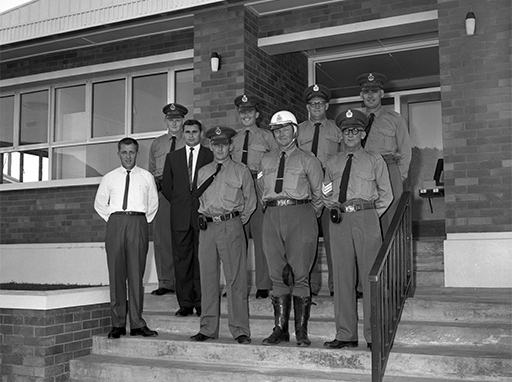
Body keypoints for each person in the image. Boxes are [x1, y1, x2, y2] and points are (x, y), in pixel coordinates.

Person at [322, 109, 393, 350]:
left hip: (365, 218)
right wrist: (331, 204)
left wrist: (370, 215)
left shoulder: (374, 159)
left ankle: (374, 335)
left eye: (354, 130)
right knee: (342, 277)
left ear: (362, 134)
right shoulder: (332, 161)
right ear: (341, 135)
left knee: (369, 277)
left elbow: (386, 194)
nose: (350, 135)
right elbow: (325, 190)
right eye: (345, 131)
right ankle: (345, 334)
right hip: (340, 220)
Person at [257, 110, 323, 347]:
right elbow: (262, 188)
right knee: (277, 274)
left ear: (294, 131)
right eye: (276, 130)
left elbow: (319, 196)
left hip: (301, 214)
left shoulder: (309, 159)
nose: (281, 134)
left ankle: (301, 332)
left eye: (285, 129)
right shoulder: (265, 160)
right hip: (272, 214)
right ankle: (280, 329)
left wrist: (305, 216)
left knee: (301, 274)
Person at [190, 126, 257, 344]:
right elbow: (198, 201)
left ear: (231, 146)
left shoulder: (241, 171)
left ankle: (239, 329)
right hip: (208, 228)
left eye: (224, 144)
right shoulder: (202, 172)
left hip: (231, 226)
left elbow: (250, 202)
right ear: (210, 146)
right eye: (215, 144)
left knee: (236, 279)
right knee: (208, 279)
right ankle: (207, 328)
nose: (220, 148)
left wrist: (236, 222)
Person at [94, 137, 159, 338]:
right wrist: (115, 221)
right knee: (116, 275)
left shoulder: (146, 177)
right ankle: (118, 323)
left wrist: (140, 222)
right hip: (115, 224)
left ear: (137, 153)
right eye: (124, 152)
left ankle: (137, 323)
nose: (128, 156)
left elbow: (153, 203)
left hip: (138, 223)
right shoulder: (109, 178)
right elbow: (99, 204)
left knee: (136, 275)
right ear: (119, 153)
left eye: (132, 152)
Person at [162, 119, 213, 317]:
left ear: (201, 133)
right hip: (180, 216)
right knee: (182, 259)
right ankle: (185, 303)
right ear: (183, 133)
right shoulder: (172, 157)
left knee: (202, 260)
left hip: (202, 214)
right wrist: (181, 202)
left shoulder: (209, 155)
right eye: (188, 132)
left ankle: (201, 302)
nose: (191, 135)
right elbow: (167, 187)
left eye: (195, 132)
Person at [297, 84, 342, 297]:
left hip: (329, 186)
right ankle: (310, 286)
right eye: (313, 103)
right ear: (307, 106)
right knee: (307, 240)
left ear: (327, 105)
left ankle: (337, 286)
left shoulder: (337, 129)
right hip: (305, 188)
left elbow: (344, 160)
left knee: (334, 238)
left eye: (321, 103)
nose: (317, 107)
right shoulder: (297, 130)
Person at [230, 94, 276, 299]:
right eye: (242, 112)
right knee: (237, 237)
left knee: (261, 236)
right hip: (238, 188)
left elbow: (276, 162)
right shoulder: (233, 139)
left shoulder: (267, 137)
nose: (246, 115)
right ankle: (236, 283)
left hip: (259, 186)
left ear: (257, 114)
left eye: (250, 112)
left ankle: (263, 283)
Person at [356, 72, 412, 234]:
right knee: (365, 215)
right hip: (363, 172)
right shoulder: (356, 121)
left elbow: (405, 152)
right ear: (361, 95)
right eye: (366, 92)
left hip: (388, 169)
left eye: (374, 91)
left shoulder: (395, 120)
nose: (370, 96)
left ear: (382, 93)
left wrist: (397, 177)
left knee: (390, 217)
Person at [148, 103, 188, 296]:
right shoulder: (157, 144)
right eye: (171, 119)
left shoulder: (190, 141)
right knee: (162, 238)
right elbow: (151, 171)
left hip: (182, 192)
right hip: (163, 192)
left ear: (183, 121)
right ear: (165, 121)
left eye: (178, 119)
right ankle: (165, 281)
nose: (174, 122)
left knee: (183, 237)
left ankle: (184, 281)